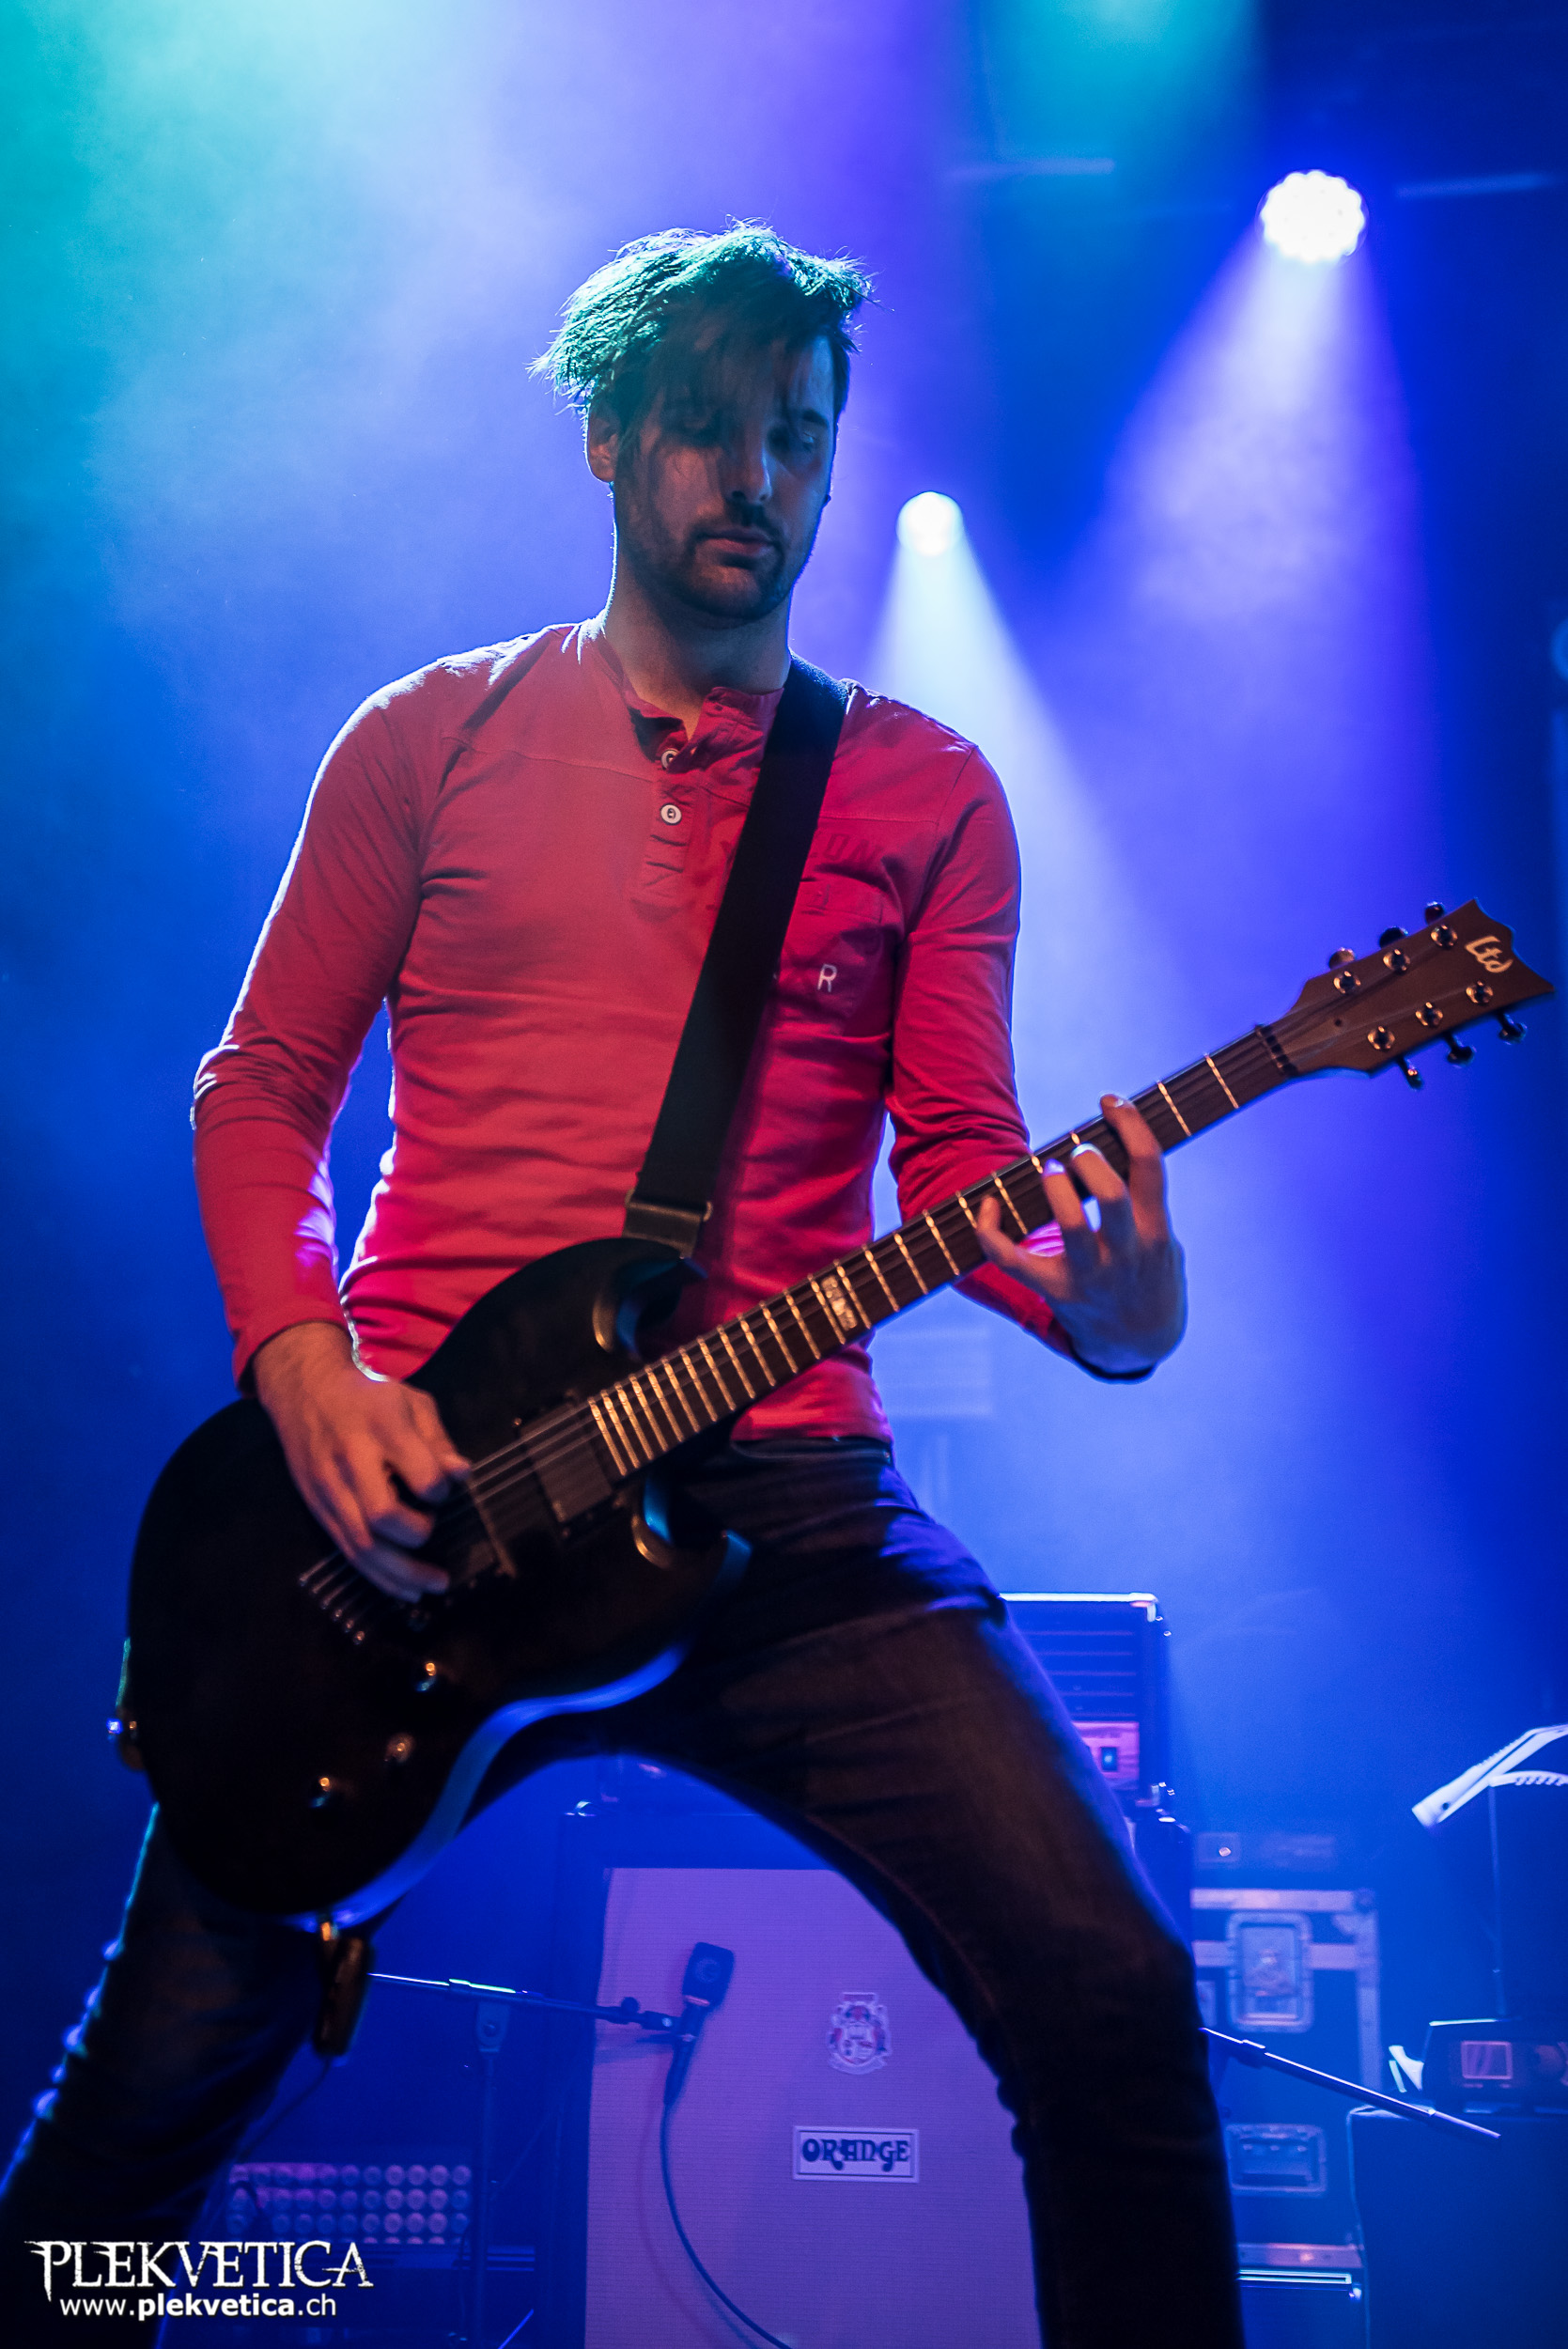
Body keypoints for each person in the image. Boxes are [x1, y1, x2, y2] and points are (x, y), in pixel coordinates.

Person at [2, 226, 1242, 2347]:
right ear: (605, 435)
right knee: (133, 2128)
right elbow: (263, 1083)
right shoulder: (427, 738)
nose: (750, 476)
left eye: (797, 437)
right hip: (422, 1506)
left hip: (784, 1507)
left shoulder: (927, 792)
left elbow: (960, 1164)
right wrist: (305, 1368)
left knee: (1113, 1995)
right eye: (701, 427)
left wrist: (1107, 1316)